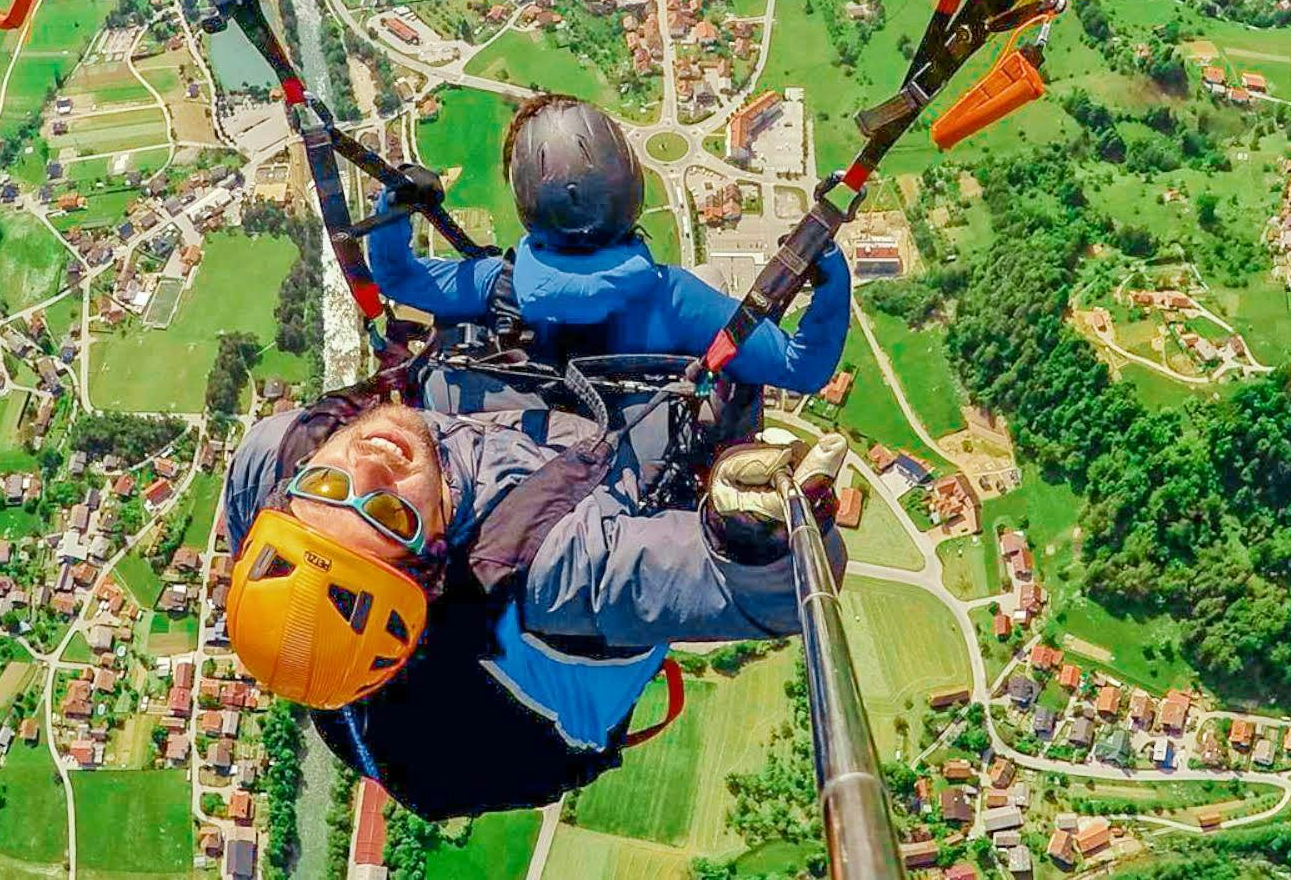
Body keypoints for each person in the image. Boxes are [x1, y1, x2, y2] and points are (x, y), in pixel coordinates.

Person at [221, 391, 848, 818]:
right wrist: (754, 531)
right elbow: (783, 591)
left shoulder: (273, 461)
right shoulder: (556, 573)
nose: (365, 466)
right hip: (519, 732)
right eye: (389, 515)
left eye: (327, 485)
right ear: (436, 557)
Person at [368, 93, 850, 391]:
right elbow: (800, 367)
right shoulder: (675, 299)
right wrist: (826, 265)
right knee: (713, 277)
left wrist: (397, 202)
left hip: (538, 460)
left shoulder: (496, 284)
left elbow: (396, 275)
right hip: (630, 464)